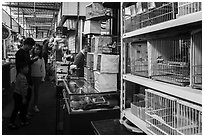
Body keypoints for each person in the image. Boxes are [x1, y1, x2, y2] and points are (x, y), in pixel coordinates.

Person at [15, 37, 36, 118]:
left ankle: (24, 112)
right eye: (31, 46)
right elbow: (19, 66)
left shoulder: (26, 52)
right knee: (23, 96)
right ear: (27, 45)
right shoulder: (19, 53)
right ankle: (22, 114)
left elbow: (26, 63)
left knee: (28, 95)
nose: (31, 48)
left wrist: (32, 61)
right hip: (23, 77)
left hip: (27, 76)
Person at [8, 63, 30, 129]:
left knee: (18, 108)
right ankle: (19, 122)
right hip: (19, 95)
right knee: (20, 108)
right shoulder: (22, 77)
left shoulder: (19, 75)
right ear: (21, 69)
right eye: (26, 68)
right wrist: (24, 98)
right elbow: (22, 89)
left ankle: (14, 121)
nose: (28, 69)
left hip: (17, 94)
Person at [31, 44, 46, 112]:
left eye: (38, 49)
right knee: (28, 92)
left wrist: (43, 77)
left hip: (38, 76)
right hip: (30, 76)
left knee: (36, 92)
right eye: (35, 49)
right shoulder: (30, 57)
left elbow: (43, 68)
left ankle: (35, 105)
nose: (37, 50)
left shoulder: (41, 58)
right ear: (33, 50)